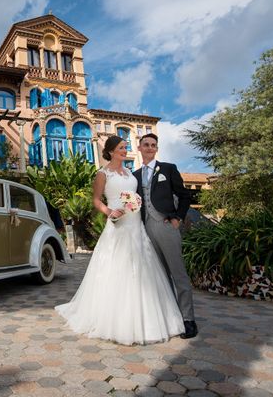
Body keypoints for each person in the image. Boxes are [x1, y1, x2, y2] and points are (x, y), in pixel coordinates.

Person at [55, 135, 184, 345]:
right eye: (123, 148)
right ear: (112, 151)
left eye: (126, 147)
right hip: (117, 224)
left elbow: (137, 195)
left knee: (143, 268)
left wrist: (138, 202)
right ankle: (115, 319)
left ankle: (148, 318)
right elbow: (96, 199)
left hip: (136, 224)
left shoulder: (130, 173)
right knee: (116, 267)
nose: (126, 150)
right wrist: (109, 211)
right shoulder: (102, 174)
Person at [134, 133, 198, 339]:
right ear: (139, 147)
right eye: (146, 144)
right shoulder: (134, 176)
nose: (150, 148)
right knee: (160, 276)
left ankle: (188, 320)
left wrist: (178, 217)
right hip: (146, 229)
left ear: (157, 148)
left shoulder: (168, 169)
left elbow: (185, 195)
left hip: (166, 225)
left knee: (178, 273)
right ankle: (171, 319)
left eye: (153, 145)